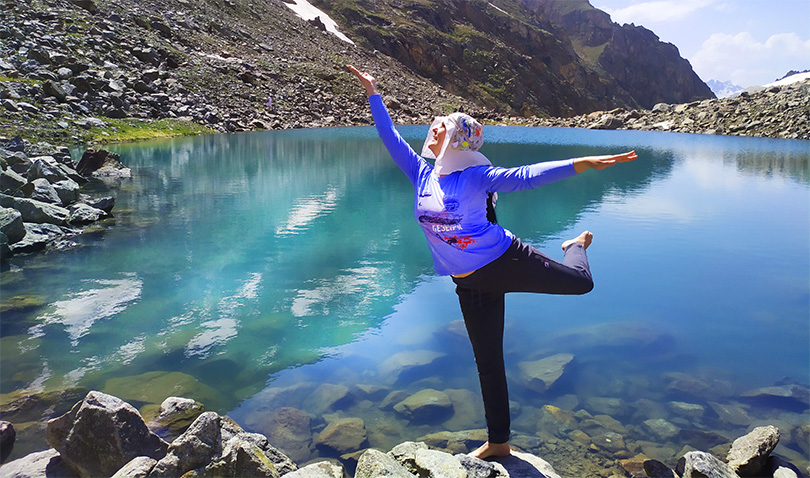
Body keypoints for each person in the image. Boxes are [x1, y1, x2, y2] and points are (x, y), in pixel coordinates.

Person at [347, 65, 637, 460]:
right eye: (434, 125)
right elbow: (389, 136)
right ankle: (499, 442)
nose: (433, 129)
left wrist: (580, 162)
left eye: (442, 126)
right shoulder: (421, 174)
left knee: (582, 283)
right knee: (487, 361)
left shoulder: (475, 176)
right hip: (468, 283)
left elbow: (526, 176)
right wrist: (373, 93)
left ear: (456, 138)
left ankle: (575, 245)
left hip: (505, 259)